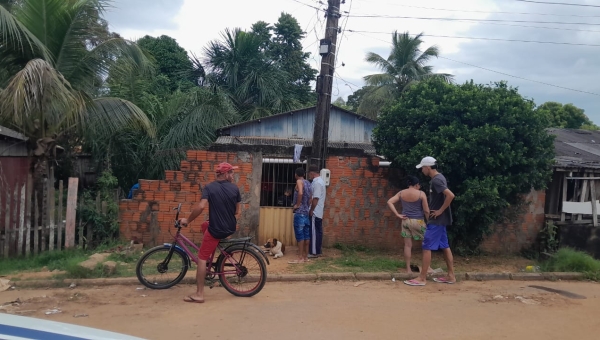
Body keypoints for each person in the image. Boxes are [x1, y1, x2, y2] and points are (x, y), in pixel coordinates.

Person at [179, 162, 241, 303]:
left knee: (201, 257)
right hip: (230, 227)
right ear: (225, 174)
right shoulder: (235, 189)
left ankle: (199, 294)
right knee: (204, 224)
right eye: (231, 173)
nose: (233, 175)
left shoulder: (209, 188)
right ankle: (210, 254)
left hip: (217, 230)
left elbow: (201, 207)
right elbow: (237, 211)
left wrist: (187, 220)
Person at [405, 157, 456, 286]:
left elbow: (450, 195)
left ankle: (422, 278)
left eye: (422, 168)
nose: (422, 170)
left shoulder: (437, 180)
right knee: (445, 246)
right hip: (441, 221)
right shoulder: (439, 178)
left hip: (437, 220)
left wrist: (439, 211)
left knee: (427, 246)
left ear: (428, 167)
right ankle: (451, 276)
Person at [387, 175, 433, 274]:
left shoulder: (401, 193)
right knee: (425, 245)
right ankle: (427, 268)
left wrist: (397, 214)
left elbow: (390, 201)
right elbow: (426, 210)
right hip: (418, 221)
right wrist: (429, 221)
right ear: (416, 184)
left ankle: (408, 269)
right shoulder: (421, 194)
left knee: (407, 245)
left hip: (405, 221)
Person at [289, 167, 312, 264]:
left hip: (300, 213)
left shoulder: (299, 181)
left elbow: (301, 193)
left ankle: (300, 258)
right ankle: (306, 257)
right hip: (306, 213)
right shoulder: (308, 183)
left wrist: (297, 205)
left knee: (300, 237)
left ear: (296, 174)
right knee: (307, 236)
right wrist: (307, 206)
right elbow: (311, 197)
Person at [308, 165, 326, 258]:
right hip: (318, 211)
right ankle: (317, 250)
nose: (309, 176)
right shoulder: (319, 181)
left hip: (315, 211)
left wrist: (311, 210)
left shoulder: (317, 183)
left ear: (312, 173)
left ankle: (314, 252)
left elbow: (316, 198)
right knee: (318, 231)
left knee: (314, 232)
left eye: (309, 174)